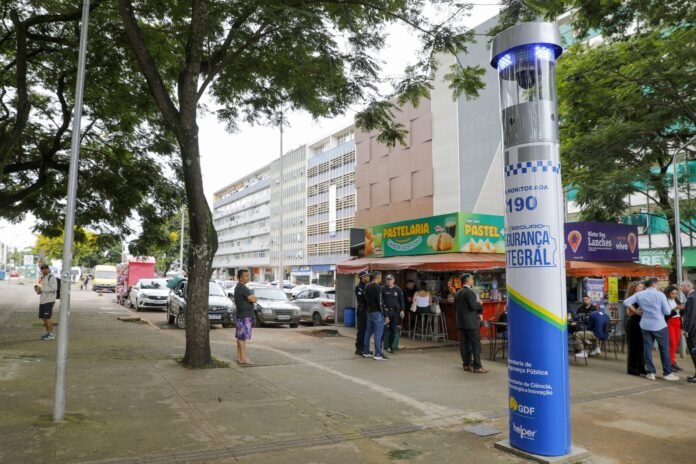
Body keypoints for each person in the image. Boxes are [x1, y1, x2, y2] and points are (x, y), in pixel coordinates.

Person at [623, 278, 679, 381]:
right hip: (659, 325)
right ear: (654, 284)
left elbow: (626, 302)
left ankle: (651, 372)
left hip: (645, 324)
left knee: (647, 348)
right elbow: (667, 312)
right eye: (657, 284)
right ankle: (667, 373)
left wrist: (636, 311)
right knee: (664, 349)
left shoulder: (639, 294)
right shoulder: (660, 295)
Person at [455, 273, 487, 373]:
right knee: (476, 344)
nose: (473, 281)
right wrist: (480, 304)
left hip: (461, 323)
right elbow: (473, 306)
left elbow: (455, 308)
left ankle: (466, 364)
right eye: (472, 279)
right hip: (471, 323)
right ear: (468, 280)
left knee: (464, 344)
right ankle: (477, 366)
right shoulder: (470, 293)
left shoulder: (458, 293)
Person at [233, 269, 257, 365]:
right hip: (244, 316)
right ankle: (243, 358)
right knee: (242, 338)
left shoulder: (239, 287)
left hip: (242, 315)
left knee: (240, 337)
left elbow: (252, 299)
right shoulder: (242, 288)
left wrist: (252, 298)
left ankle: (240, 357)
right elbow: (254, 299)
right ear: (240, 278)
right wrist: (252, 297)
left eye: (248, 275)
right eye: (246, 276)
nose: (248, 277)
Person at [624, 281, 647, 376]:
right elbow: (629, 313)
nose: (642, 288)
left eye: (642, 287)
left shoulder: (643, 297)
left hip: (642, 322)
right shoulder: (632, 298)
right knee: (633, 346)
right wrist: (637, 312)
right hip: (633, 322)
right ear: (634, 288)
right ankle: (632, 368)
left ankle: (641, 367)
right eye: (639, 287)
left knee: (641, 346)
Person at [363, 271, 387, 360]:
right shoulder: (377, 287)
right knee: (378, 333)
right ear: (377, 277)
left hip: (369, 312)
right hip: (377, 312)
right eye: (381, 277)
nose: (381, 279)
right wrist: (385, 314)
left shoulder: (367, 286)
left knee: (368, 332)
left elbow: (365, 300)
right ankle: (378, 354)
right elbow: (380, 302)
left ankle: (366, 351)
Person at [663, 285, 685, 372]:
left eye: (676, 293)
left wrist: (683, 308)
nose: (674, 295)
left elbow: (681, 313)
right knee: (671, 343)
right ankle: (670, 363)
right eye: (672, 293)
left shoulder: (677, 300)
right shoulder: (665, 301)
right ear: (668, 293)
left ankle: (673, 362)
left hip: (677, 322)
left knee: (675, 343)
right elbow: (666, 315)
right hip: (670, 322)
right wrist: (675, 309)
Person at [381, 274, 405, 354]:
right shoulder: (383, 288)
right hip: (385, 312)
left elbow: (401, 300)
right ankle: (379, 347)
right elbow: (380, 301)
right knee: (383, 330)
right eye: (387, 279)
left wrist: (402, 310)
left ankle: (390, 346)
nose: (389, 281)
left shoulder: (397, 289)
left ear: (394, 280)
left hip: (394, 312)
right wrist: (385, 314)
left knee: (393, 330)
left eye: (390, 279)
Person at [35, 264, 58, 340]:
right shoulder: (43, 277)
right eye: (42, 269)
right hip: (42, 300)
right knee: (43, 318)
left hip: (49, 300)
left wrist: (42, 289)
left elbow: (54, 288)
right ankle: (48, 333)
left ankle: (51, 334)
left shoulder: (51, 277)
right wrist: (38, 290)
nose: (44, 270)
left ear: (48, 269)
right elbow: (42, 289)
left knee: (47, 318)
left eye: (45, 269)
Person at [679, 280, 696, 383]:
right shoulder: (692, 296)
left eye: (682, 286)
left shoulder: (691, 297)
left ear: (688, 286)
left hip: (692, 331)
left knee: (694, 352)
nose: (680, 288)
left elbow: (691, 316)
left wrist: (687, 330)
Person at [354, 270, 370, 355]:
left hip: (367, 311)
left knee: (366, 330)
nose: (368, 277)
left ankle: (365, 348)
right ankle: (359, 348)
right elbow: (362, 300)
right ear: (362, 278)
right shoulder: (359, 287)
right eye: (366, 276)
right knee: (362, 330)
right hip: (362, 311)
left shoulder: (367, 286)